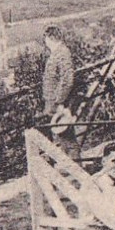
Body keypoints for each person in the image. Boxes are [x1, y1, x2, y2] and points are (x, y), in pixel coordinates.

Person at [42, 27, 77, 156]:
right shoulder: (58, 52)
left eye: (46, 39)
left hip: (59, 103)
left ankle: (73, 168)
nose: (45, 43)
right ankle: (68, 168)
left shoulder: (62, 53)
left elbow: (68, 79)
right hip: (54, 103)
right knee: (59, 137)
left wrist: (60, 101)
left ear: (51, 38)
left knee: (66, 136)